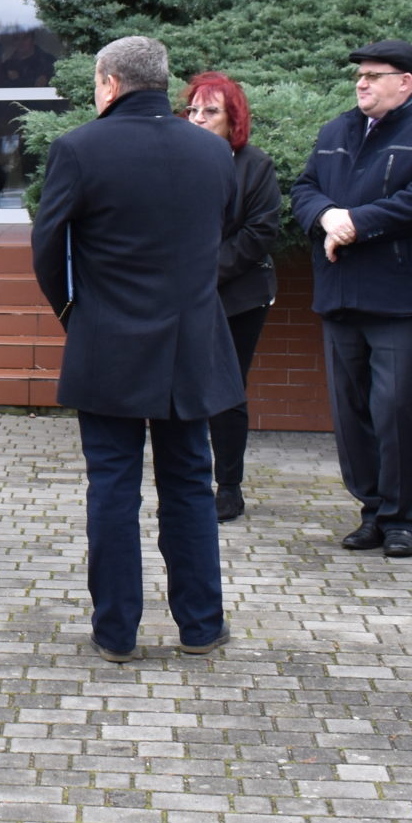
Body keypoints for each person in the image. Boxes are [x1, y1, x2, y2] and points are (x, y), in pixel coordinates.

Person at [32, 36, 242, 662]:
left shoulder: (78, 147)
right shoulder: (213, 151)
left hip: (108, 343)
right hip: (191, 343)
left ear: (109, 83)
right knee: (190, 483)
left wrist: (75, 314)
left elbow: (48, 248)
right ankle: (201, 626)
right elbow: (216, 232)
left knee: (113, 488)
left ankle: (116, 632)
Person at [288, 40, 412, 560]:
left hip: (402, 296)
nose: (362, 83)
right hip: (342, 291)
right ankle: (371, 510)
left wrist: (353, 223)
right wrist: (325, 216)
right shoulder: (336, 130)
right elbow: (304, 188)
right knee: (351, 412)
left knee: (394, 408)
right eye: (359, 76)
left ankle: (399, 518)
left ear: (405, 82)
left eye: (373, 75)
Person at [183, 71, 282, 523]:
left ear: (233, 119)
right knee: (185, 386)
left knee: (226, 388)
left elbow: (260, 232)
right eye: (193, 110)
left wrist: (203, 272)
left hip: (238, 295)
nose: (198, 119)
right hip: (183, 293)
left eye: (211, 111)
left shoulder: (255, 165)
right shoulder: (177, 158)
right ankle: (188, 478)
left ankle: (229, 486)